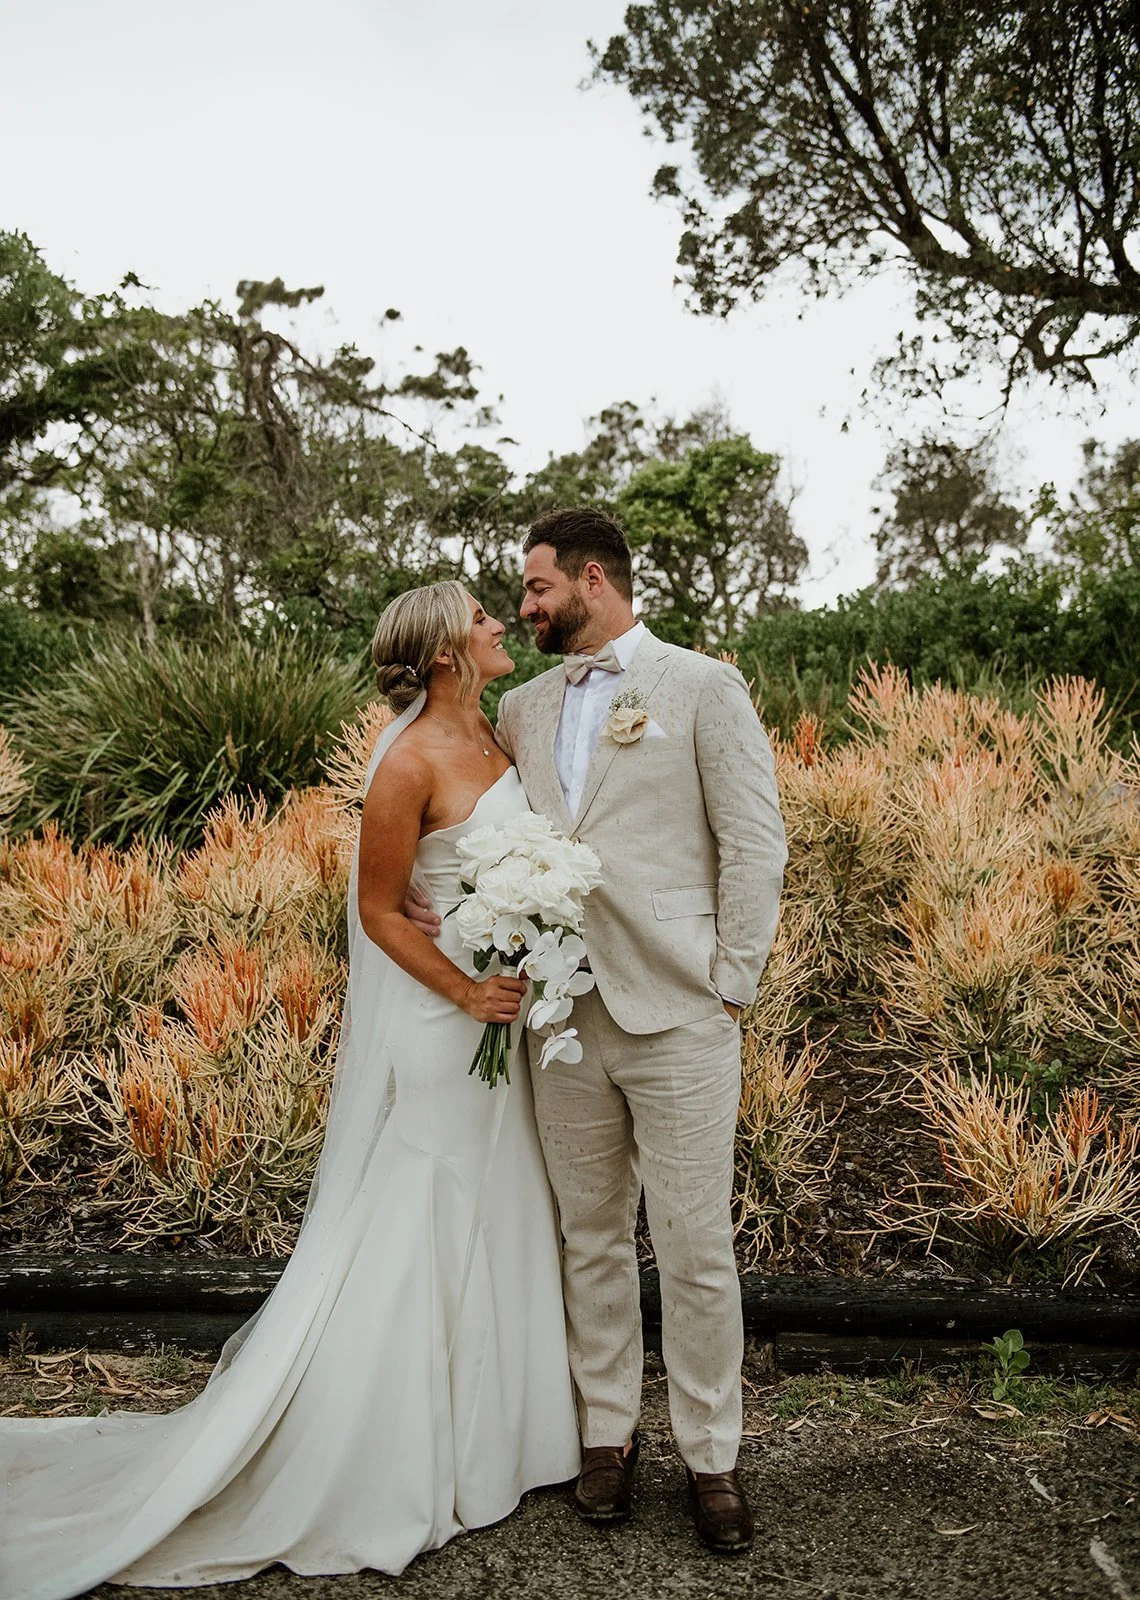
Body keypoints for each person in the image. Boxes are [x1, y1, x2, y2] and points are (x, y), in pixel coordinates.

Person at [0, 581, 580, 1600]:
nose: (498, 626)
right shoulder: (405, 765)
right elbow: (380, 911)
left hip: (503, 1014)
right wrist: (467, 988)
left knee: (503, 1198)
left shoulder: (498, 734)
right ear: (443, 652)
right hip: (451, 1024)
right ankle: (391, 1447)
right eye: (481, 619)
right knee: (429, 1206)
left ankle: (508, 1440)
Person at [409, 508, 787, 1553]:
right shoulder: (523, 707)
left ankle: (713, 1455)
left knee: (696, 1244)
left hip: (681, 1014)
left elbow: (756, 842)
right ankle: (606, 1434)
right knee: (588, 1235)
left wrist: (732, 986)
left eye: (534, 589)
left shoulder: (702, 687)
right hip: (559, 1015)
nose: (523, 606)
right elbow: (468, 819)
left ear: (590, 579)